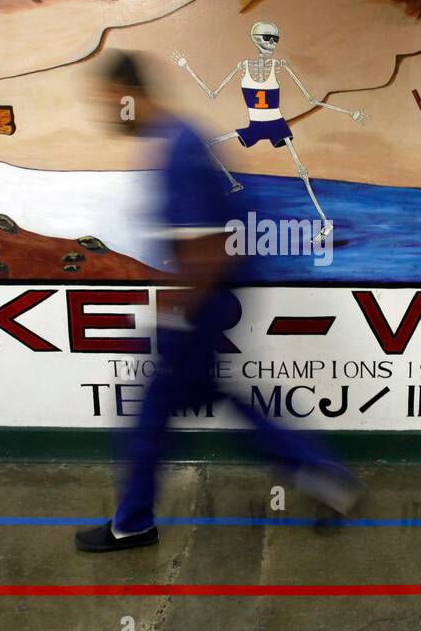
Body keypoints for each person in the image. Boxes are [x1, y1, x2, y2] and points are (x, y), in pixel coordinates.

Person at [75, 51, 363, 553]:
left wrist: (175, 315)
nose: (106, 115)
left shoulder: (179, 149)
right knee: (221, 408)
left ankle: (133, 523)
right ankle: (323, 475)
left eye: (107, 103)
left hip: (200, 306)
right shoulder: (177, 141)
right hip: (206, 303)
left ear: (131, 95)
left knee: (148, 423)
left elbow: (207, 249)